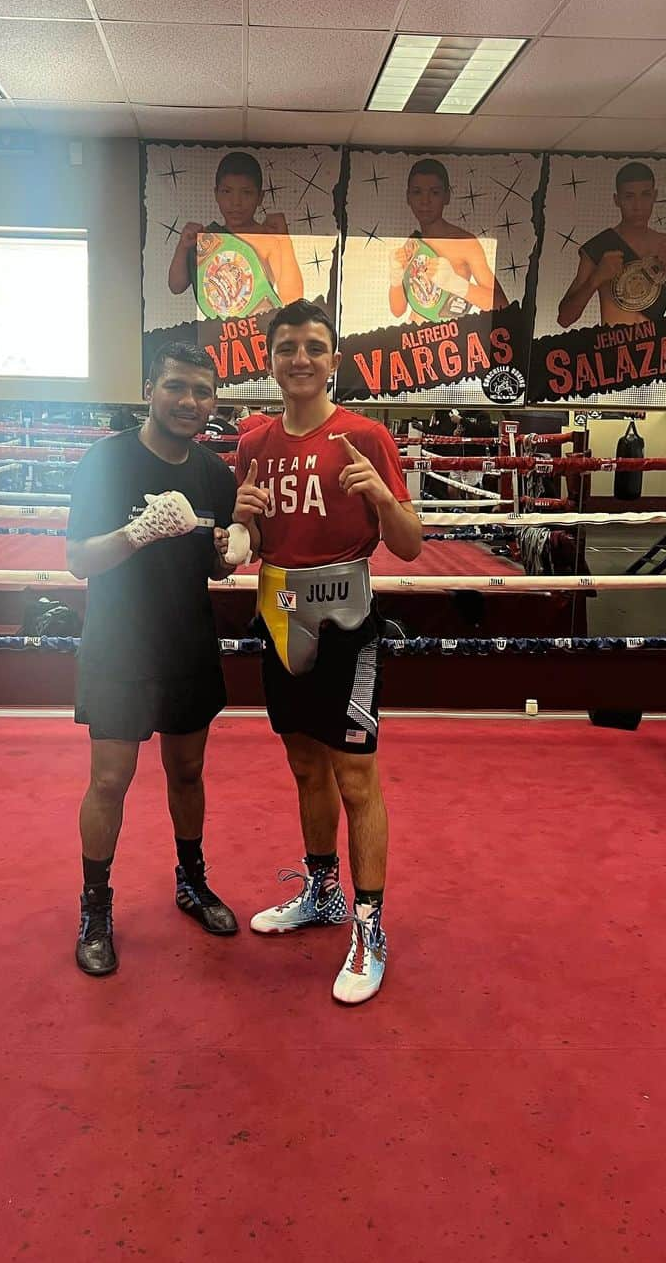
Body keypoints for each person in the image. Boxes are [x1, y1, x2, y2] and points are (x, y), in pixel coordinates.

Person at [232, 299, 422, 1005]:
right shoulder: (253, 445)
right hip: (279, 618)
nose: (301, 358)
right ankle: (322, 891)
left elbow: (409, 544)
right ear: (272, 360)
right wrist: (239, 526)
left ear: (333, 360)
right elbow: (245, 540)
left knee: (356, 778)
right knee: (304, 765)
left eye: (315, 346)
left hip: (348, 624)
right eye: (288, 347)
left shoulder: (365, 436)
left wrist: (380, 498)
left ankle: (370, 927)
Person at [66, 342, 242, 977]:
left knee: (188, 773)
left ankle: (191, 881)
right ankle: (95, 906)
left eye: (202, 391)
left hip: (187, 639)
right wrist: (136, 532)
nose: (189, 402)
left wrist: (229, 551)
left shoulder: (216, 475)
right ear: (149, 389)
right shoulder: (107, 461)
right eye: (176, 387)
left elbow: (217, 568)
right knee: (110, 780)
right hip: (118, 642)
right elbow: (78, 560)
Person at [167, 151, 303, 318]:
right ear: (216, 194)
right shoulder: (209, 238)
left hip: (258, 333)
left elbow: (293, 299)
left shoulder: (267, 239)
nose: (236, 202)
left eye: (246, 192)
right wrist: (183, 247)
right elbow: (176, 286)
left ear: (260, 197)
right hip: (218, 336)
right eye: (227, 191)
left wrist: (284, 240)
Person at [557, 161, 666, 329]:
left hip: (654, 350)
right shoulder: (601, 245)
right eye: (629, 196)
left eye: (645, 195)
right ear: (617, 200)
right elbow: (564, 319)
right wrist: (596, 278)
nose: (638, 206)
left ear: (655, 196)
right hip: (614, 351)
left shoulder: (664, 243)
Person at [389, 158, 506, 325]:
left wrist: (457, 285)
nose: (425, 201)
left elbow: (502, 306)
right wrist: (395, 277)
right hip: (412, 340)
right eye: (417, 192)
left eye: (434, 192)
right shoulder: (414, 243)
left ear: (447, 196)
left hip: (450, 341)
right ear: (408, 197)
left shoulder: (466, 243)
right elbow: (398, 310)